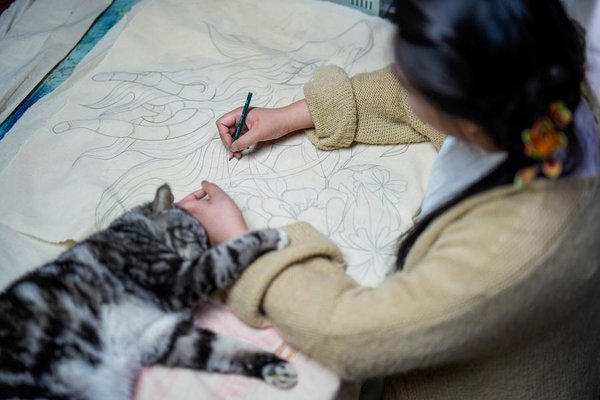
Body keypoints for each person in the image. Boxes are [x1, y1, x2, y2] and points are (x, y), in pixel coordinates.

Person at [178, 0, 600, 398]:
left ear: (467, 111)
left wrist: (241, 246)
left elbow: (350, 335)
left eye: (411, 78)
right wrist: (294, 115)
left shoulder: (514, 245)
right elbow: (406, 96)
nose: (399, 79)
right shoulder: (541, 92)